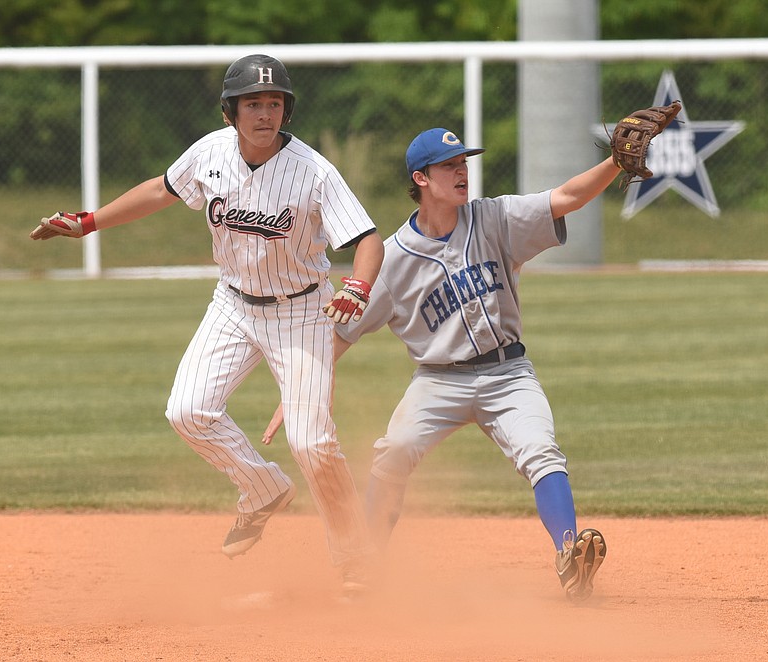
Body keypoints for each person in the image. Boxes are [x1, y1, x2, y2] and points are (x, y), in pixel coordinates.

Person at [30, 54, 383, 596]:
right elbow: (159, 190)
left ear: (286, 110)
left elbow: (366, 238)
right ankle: (263, 488)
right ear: (230, 112)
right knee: (188, 410)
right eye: (253, 104)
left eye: (274, 103)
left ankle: (355, 559)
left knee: (312, 442)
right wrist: (89, 221)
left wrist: (357, 287)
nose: (265, 113)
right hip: (233, 304)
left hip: (302, 311)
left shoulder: (313, 169)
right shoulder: (210, 153)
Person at [265, 127, 620, 602]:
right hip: (438, 382)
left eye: (463, 163)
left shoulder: (494, 217)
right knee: (393, 452)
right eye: (450, 165)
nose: (462, 172)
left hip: (508, 374)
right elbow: (342, 331)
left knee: (541, 452)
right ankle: (366, 565)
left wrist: (615, 162)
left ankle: (569, 556)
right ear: (421, 178)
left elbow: (567, 197)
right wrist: (301, 388)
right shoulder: (389, 260)